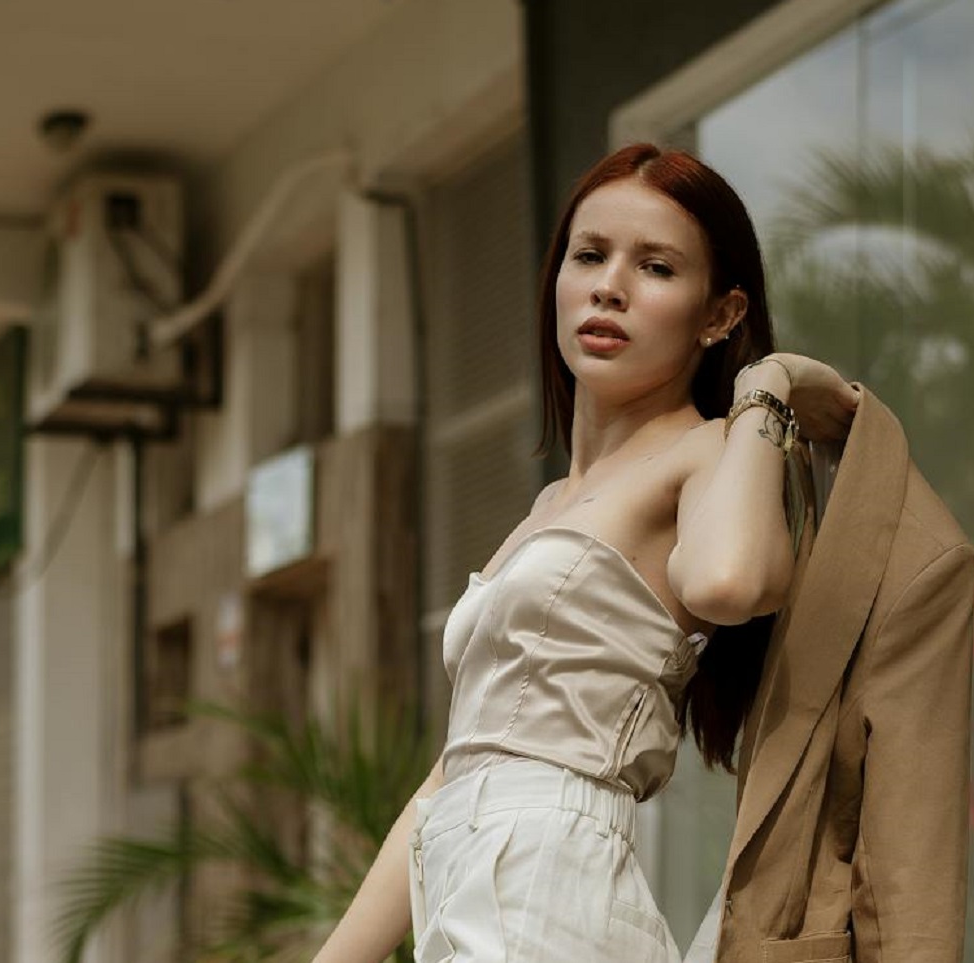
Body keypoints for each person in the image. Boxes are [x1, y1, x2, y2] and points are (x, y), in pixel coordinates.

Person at [313, 143, 927, 963]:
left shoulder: (707, 454)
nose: (609, 285)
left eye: (658, 267)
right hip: (472, 887)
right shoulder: (545, 508)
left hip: (548, 887)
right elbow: (447, 781)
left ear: (720, 314)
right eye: (590, 255)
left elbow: (730, 579)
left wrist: (766, 386)